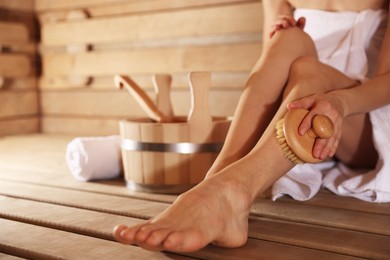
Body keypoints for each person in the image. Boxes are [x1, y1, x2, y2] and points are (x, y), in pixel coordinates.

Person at [113, 0, 390, 253]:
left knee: (310, 71)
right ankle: (213, 187)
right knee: (289, 38)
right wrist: (277, 36)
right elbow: (274, 67)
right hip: (300, 112)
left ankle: (230, 192)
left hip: (364, 118)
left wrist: (340, 103)